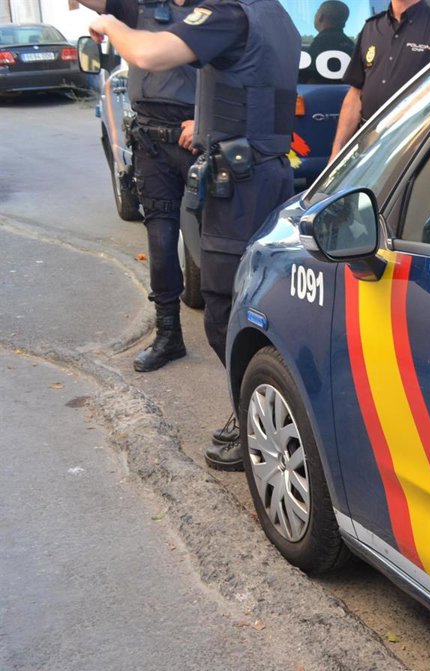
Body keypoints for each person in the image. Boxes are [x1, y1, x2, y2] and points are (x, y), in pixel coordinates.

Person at [88, 0, 300, 471]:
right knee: (258, 302)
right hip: (265, 173)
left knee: (225, 310)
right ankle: (261, 411)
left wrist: (110, 23)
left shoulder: (230, 14)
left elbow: (147, 54)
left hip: (240, 185)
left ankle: (258, 420)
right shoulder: (277, 15)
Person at [77, 0, 199, 372]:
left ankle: (236, 335)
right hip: (151, 142)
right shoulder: (141, 7)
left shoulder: (215, 9)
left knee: (215, 247)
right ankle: (168, 335)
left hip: (197, 139)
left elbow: (238, 71)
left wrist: (208, 121)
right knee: (161, 241)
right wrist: (106, 20)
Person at [329, 0, 430, 157]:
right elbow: (355, 94)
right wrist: (337, 152)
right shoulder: (371, 27)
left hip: (414, 149)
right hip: (369, 147)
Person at [299, 0, 354, 84]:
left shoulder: (319, 44)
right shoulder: (352, 46)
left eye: (316, 13)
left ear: (321, 17)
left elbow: (309, 82)